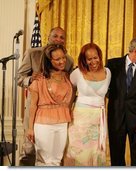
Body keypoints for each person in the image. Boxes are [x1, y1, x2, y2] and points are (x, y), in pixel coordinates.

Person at [17, 27, 74, 166]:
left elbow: (69, 84)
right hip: (36, 110)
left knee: (55, 156)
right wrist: (31, 80)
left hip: (59, 115)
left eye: (62, 37)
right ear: (48, 36)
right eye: (55, 36)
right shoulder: (33, 53)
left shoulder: (69, 60)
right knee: (29, 149)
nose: (58, 39)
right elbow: (19, 78)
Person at [106, 37, 136, 166]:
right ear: (135, 51)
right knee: (116, 154)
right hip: (116, 117)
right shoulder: (112, 65)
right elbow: (105, 87)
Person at [64, 43, 111, 166]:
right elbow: (71, 91)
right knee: (81, 150)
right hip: (81, 117)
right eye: (89, 59)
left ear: (100, 57)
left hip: (99, 117)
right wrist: (68, 109)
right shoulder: (77, 73)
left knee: (97, 150)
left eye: (95, 57)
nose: (93, 61)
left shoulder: (108, 72)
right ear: (84, 60)